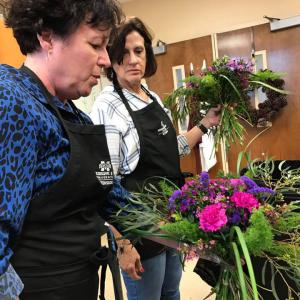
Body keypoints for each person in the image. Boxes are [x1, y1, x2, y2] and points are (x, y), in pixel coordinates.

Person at [90, 17, 221, 300]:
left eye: (138, 51)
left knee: (171, 292)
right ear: (111, 61)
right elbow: (103, 185)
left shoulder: (151, 97)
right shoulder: (107, 107)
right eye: (123, 55)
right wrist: (123, 243)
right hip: (137, 228)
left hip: (169, 220)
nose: (133, 60)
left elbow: (170, 149)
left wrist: (205, 124)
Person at [0, 1, 123, 299]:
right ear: (47, 37)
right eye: (96, 44)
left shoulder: (76, 116)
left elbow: (115, 200)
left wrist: (193, 228)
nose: (106, 60)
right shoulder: (13, 102)